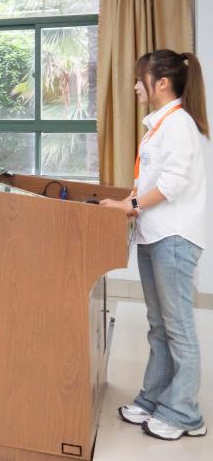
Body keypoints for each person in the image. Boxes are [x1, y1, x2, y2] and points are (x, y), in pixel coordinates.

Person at [101, 50, 207, 441]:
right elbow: (149, 181)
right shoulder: (160, 125)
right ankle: (154, 399)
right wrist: (128, 202)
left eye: (139, 78)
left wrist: (129, 205)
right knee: (159, 326)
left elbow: (172, 184)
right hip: (155, 235)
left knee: (178, 329)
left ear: (161, 83)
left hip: (174, 238)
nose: (135, 86)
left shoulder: (178, 123)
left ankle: (185, 414)